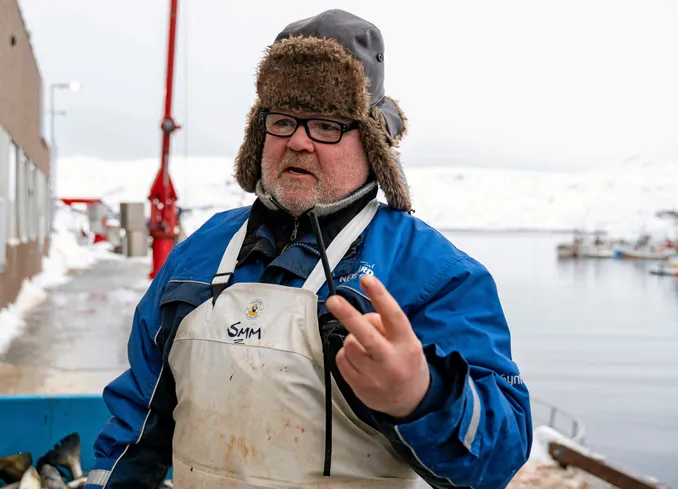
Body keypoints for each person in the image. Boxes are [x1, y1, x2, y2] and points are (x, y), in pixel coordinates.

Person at [86, 9, 532, 489]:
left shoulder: (434, 273)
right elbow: (136, 422)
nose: (298, 141)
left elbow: (501, 455)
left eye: (326, 124)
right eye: (282, 121)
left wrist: (422, 396)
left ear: (372, 143)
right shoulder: (200, 252)